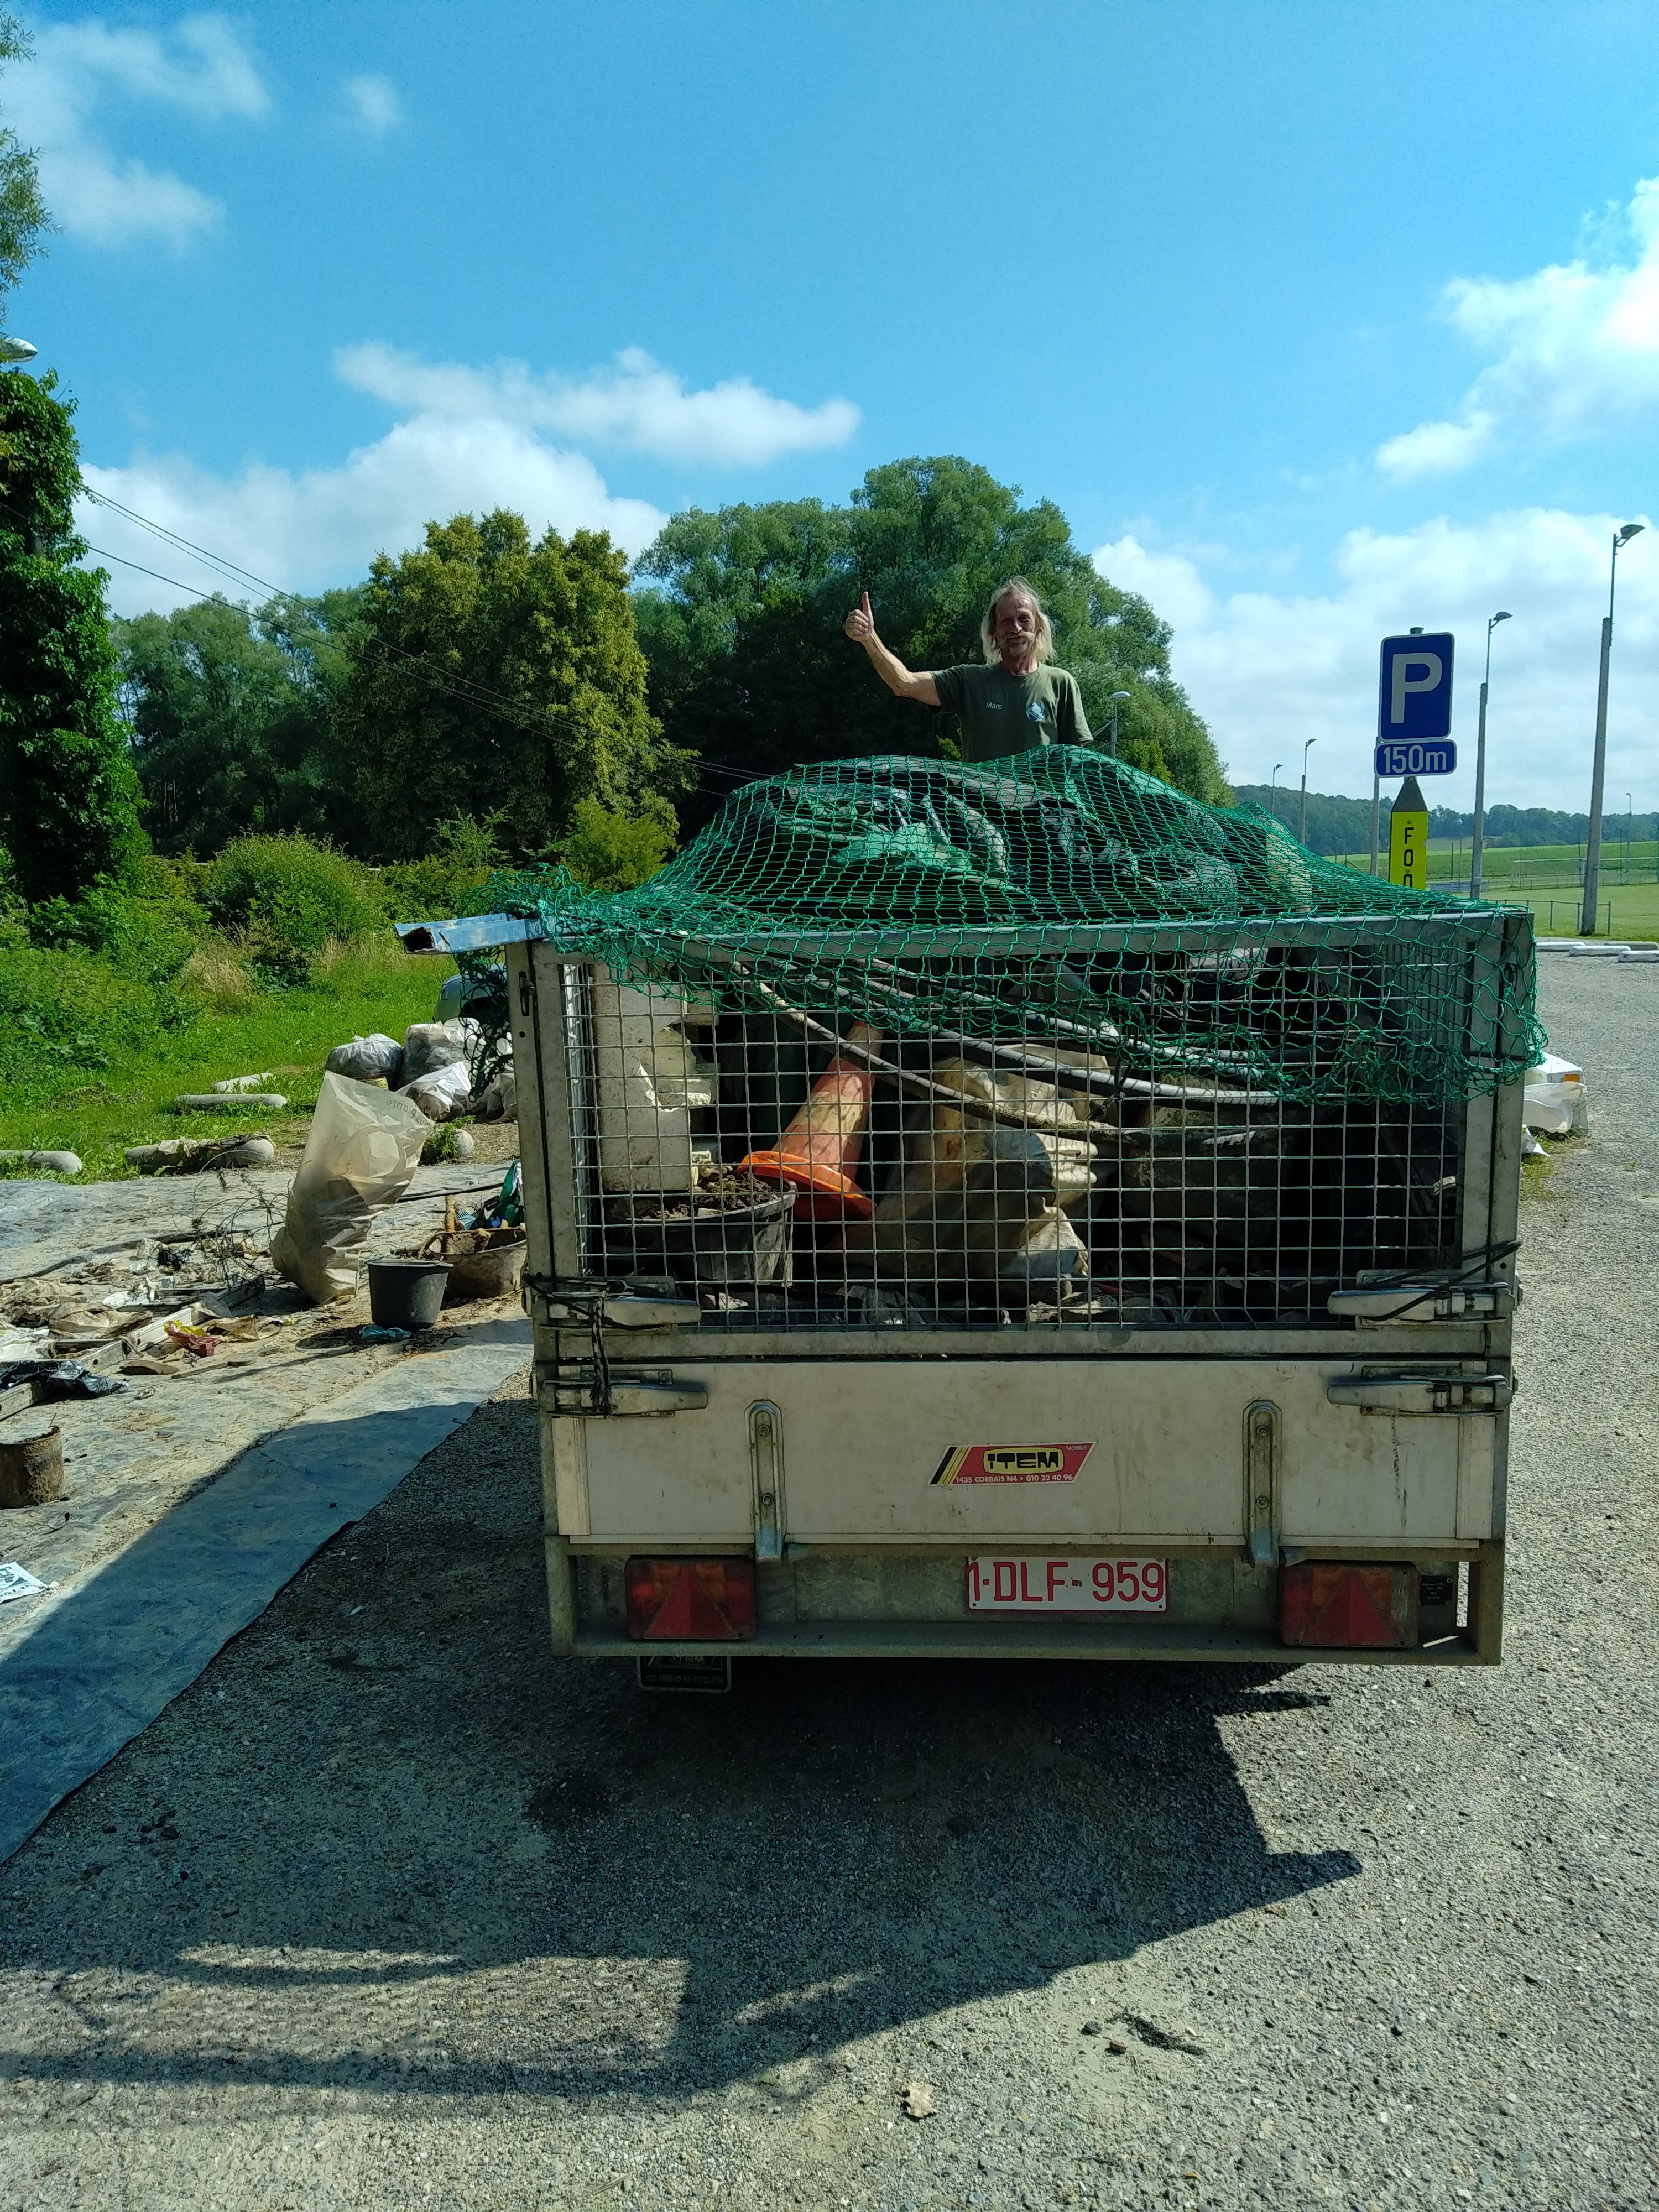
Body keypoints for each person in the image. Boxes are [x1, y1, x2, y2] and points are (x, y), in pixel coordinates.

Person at [843, 576, 1093, 764]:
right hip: (984, 809)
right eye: (1006, 621)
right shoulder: (970, 681)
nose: (1016, 628)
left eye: (1024, 619)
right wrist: (869, 638)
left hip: (1043, 812)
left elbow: (1076, 761)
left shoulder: (1061, 683)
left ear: (1038, 626)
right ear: (994, 632)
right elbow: (905, 683)